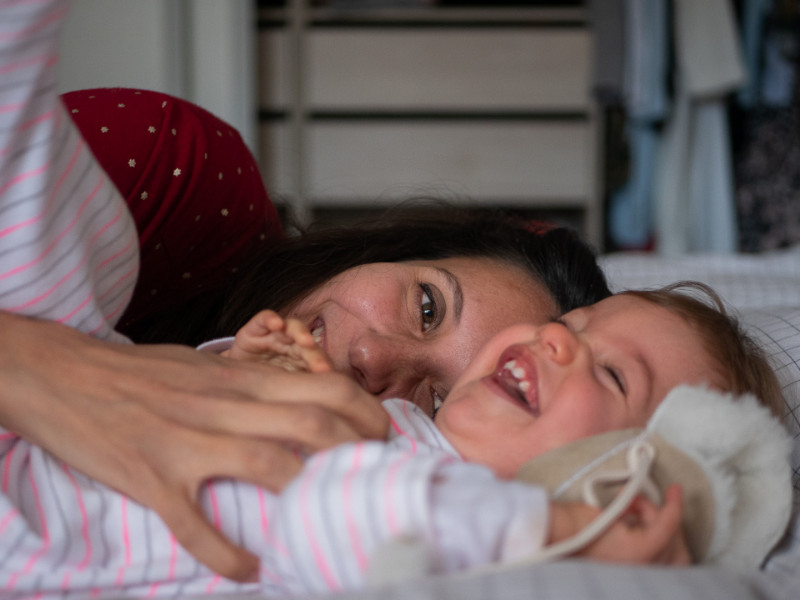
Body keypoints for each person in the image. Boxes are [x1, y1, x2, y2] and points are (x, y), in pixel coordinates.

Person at [0, 0, 610, 581]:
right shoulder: (187, 180)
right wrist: (43, 367)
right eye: (427, 307)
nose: (373, 361)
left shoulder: (338, 483)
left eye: (437, 404)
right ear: (385, 253)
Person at [0, 281, 785, 598]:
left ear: (618, 478)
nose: (557, 342)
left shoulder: (479, 525)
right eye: (571, 324)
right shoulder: (404, 433)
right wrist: (241, 372)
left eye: (614, 377)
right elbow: (160, 402)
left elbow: (343, 515)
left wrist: (554, 530)